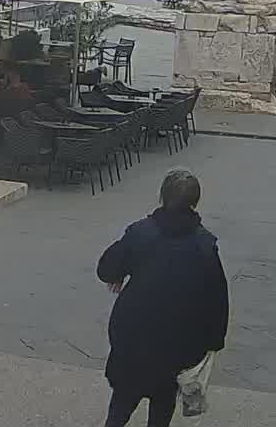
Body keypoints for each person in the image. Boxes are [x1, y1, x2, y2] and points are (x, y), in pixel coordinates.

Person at [97, 169, 230, 427]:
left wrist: (119, 273)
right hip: (179, 339)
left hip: (133, 333)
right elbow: (217, 298)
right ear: (195, 202)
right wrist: (212, 342)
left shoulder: (141, 233)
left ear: (162, 197)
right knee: (163, 398)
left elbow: (107, 268)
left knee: (124, 396)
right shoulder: (205, 246)